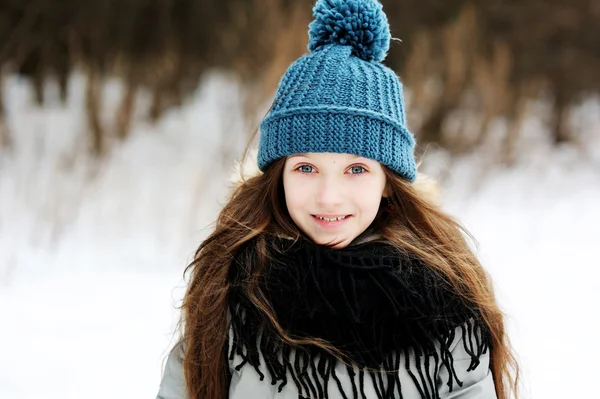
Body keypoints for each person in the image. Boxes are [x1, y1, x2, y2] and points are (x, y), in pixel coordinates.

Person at [156, 0, 520, 398]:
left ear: (387, 181)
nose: (329, 197)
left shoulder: (444, 297)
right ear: (279, 176)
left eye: (356, 169)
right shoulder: (231, 288)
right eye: (306, 169)